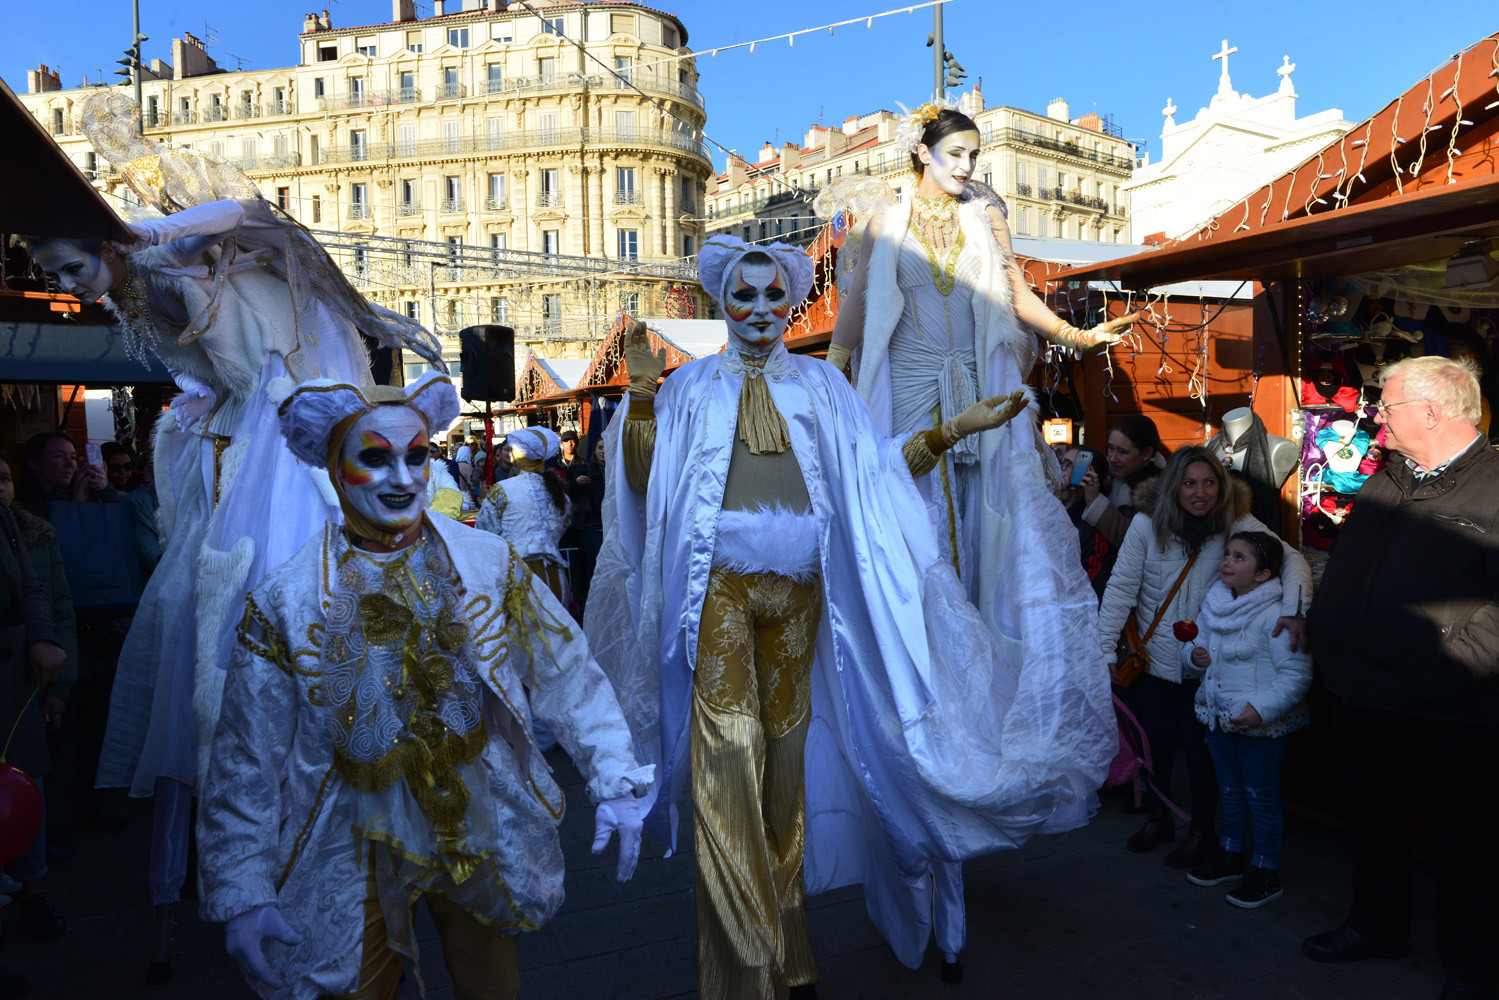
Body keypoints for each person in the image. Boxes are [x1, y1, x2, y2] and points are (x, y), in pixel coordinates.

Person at [589, 236, 1113, 998]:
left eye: (776, 296)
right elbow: (644, 480)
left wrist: (948, 432)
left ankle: (790, 954)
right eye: (746, 295)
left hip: (802, 596)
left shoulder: (824, 388)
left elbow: (871, 475)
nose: (762, 310)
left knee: (783, 779)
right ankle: (740, 976)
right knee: (727, 765)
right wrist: (641, 393)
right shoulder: (691, 387)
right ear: (720, 300)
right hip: (721, 595)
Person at [23, 89, 446, 982]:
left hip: (286, 453)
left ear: (107, 242)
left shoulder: (180, 262)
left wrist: (151, 230)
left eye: (70, 267)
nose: (67, 288)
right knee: (226, 641)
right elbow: (208, 375)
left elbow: (248, 214)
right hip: (248, 459)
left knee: (288, 615)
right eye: (53, 278)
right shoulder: (157, 295)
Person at [198, 371, 650, 1000]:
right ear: (334, 466)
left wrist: (615, 773)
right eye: (375, 459)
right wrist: (241, 885)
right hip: (351, 834)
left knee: (491, 986)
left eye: (417, 456)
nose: (404, 479)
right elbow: (246, 754)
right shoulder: (288, 600)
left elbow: (565, 666)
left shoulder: (488, 563)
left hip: (478, 819)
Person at [825, 100, 1134, 976]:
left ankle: (975, 758)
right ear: (919, 151)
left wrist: (1079, 333)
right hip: (907, 410)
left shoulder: (983, 215)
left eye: (972, 153)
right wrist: (821, 415)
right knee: (911, 578)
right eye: (954, 152)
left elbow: (1018, 294)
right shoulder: (875, 228)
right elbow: (849, 341)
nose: (966, 165)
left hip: (986, 412)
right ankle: (922, 771)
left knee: (988, 572)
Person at [1302, 357, 1499, 1000]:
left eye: (1386, 407)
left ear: (1433, 412)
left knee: (1464, 847)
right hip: (1363, 696)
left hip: (1452, 710)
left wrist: (1456, 664)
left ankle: (1471, 969)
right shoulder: (1387, 479)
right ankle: (1376, 927)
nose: (1375, 419)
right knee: (1373, 825)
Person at [1097, 446, 1309, 869]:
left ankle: (1202, 830)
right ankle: (1159, 817)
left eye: (1210, 482)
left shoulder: (1236, 523)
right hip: (1153, 659)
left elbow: (1292, 559)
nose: (1200, 492)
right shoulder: (1146, 524)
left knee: (1200, 754)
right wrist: (1102, 650)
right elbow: (1121, 587)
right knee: (1152, 745)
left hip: (1206, 665)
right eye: (1190, 483)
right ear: (1174, 485)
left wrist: (1293, 611)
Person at [1184, 531, 1310, 908]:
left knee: (1261, 796)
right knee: (1230, 791)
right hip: (1220, 719)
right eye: (1227, 554)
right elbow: (1195, 646)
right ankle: (1229, 852)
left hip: (1260, 726)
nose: (1226, 562)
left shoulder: (1275, 615)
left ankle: (1265, 868)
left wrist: (1260, 710)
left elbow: (1296, 674)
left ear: (1263, 574)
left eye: (1239, 558)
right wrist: (1195, 657)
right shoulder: (1215, 603)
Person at [0, 457, 74, 945]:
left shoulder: (7, 521)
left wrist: (42, 639)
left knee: (24, 780)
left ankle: (33, 890)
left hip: (10, 676)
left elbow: (33, 588)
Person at [475, 427, 571, 604]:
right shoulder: (561, 494)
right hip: (555, 578)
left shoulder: (502, 490)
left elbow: (484, 532)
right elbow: (561, 528)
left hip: (517, 576)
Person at [1077, 415, 1170, 549]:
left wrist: (1095, 502)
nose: (1113, 458)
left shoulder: (1156, 491)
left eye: (1122, 452)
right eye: (1110, 448)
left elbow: (1136, 542)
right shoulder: (1105, 476)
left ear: (1147, 453)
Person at [1058, 446, 1118, 598]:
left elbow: (1089, 592)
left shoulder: (1093, 531)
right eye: (1060, 463)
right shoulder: (1052, 512)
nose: (1060, 471)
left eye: (1068, 464)